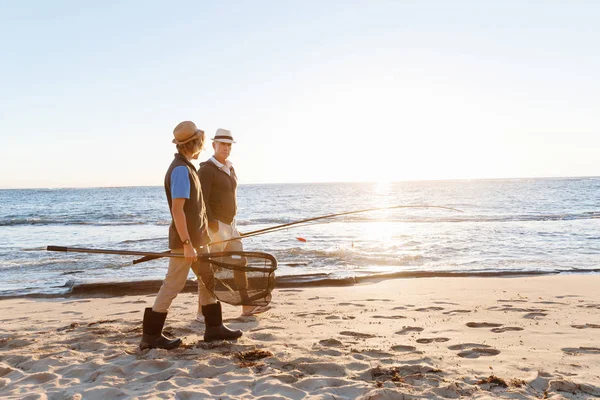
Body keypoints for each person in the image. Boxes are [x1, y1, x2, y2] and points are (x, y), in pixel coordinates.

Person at [139, 121, 242, 350]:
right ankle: (151, 336)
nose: (202, 148)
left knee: (208, 279)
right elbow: (178, 210)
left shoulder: (187, 167)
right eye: (201, 143)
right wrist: (186, 244)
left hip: (198, 240)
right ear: (195, 144)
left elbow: (195, 211)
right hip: (185, 242)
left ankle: (214, 328)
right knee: (173, 284)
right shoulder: (179, 170)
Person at [198, 128, 272, 318]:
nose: (226, 148)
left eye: (229, 145)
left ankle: (246, 307)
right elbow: (201, 200)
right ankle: (202, 311)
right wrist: (211, 224)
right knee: (211, 268)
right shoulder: (206, 169)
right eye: (222, 144)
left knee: (241, 262)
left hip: (231, 225)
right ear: (214, 145)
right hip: (216, 227)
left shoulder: (230, 168)